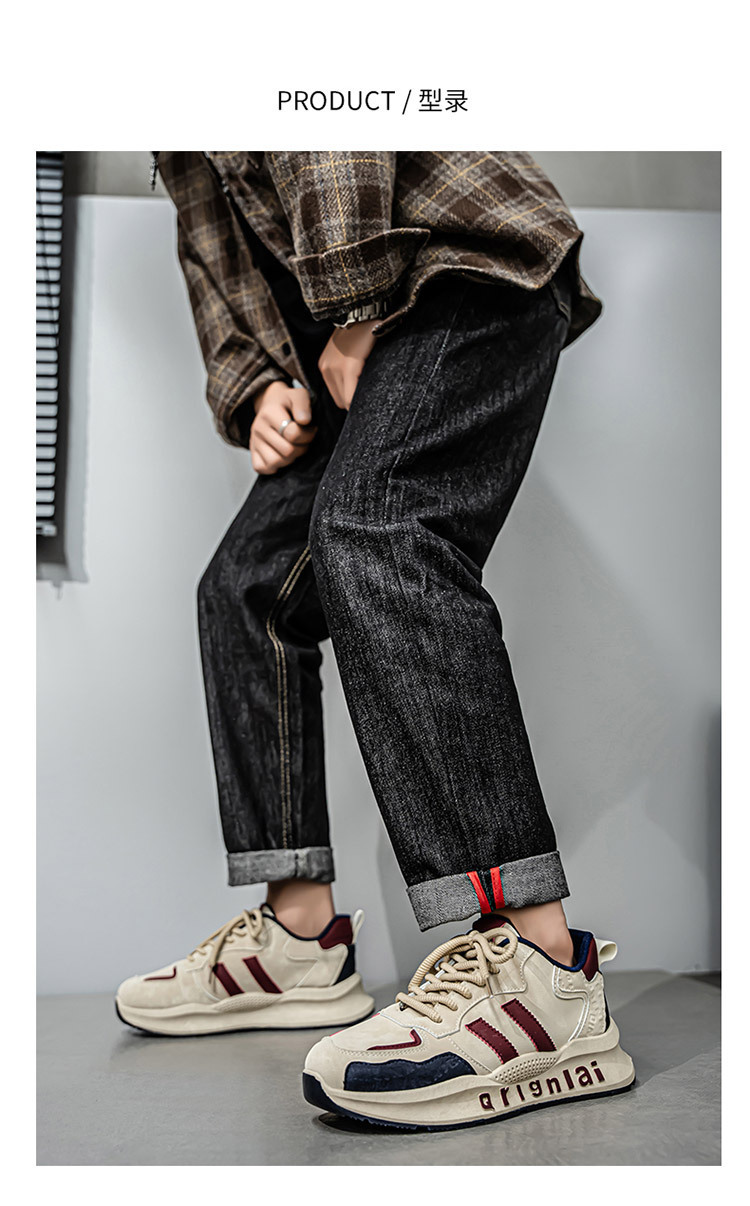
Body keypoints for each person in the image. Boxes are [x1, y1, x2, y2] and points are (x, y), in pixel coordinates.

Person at [116, 151, 634, 1128]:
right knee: (248, 589)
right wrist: (257, 387)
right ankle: (300, 938)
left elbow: (335, 116)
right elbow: (213, 248)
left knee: (380, 531)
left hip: (460, 263)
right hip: (361, 312)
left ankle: (545, 971)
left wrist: (356, 307)